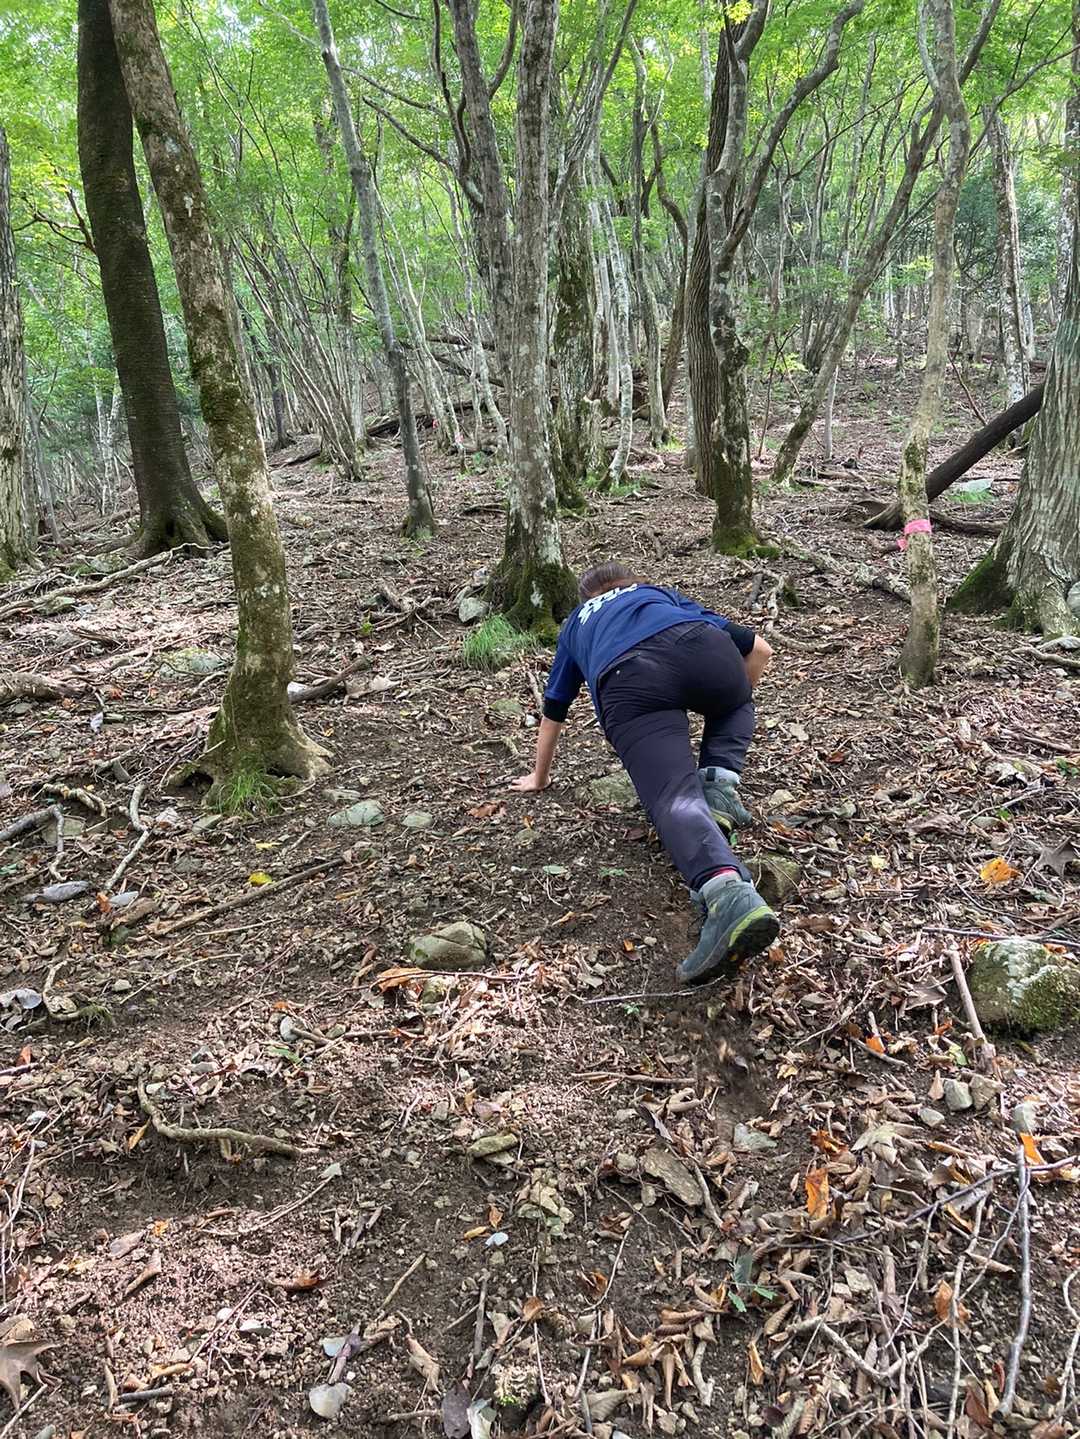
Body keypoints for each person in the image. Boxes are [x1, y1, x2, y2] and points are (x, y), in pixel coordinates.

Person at [512, 560, 778, 984]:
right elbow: (759, 651)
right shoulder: (657, 595)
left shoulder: (577, 622)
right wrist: (730, 705)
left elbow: (555, 708)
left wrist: (539, 776)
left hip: (630, 678)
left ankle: (727, 894)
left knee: (673, 794)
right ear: (629, 583)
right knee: (735, 698)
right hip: (702, 644)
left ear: (587, 598)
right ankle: (719, 783)